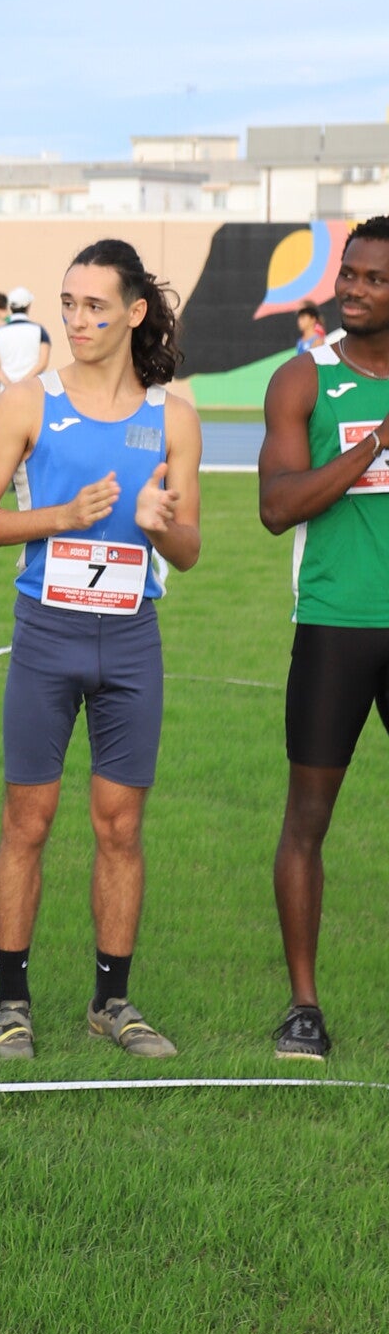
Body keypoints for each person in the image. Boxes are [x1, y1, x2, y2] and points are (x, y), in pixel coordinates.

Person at [0, 240, 200, 1061]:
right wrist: (58, 518)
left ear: (135, 312)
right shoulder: (28, 402)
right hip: (47, 636)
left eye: (95, 305)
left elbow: (192, 548)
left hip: (131, 641)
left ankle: (112, 1002)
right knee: (26, 820)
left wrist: (166, 528)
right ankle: (11, 1006)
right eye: (68, 303)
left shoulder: (172, 416)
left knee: (120, 826)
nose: (77, 319)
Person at [258, 216, 389, 1060]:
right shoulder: (303, 378)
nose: (354, 289)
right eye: (350, 274)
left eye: (375, 279)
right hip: (336, 627)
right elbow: (277, 508)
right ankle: (304, 1007)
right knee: (307, 819)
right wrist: (375, 442)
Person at [0, 284, 49, 407]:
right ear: (28, 305)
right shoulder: (40, 331)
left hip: (6, 390)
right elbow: (42, 363)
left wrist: (10, 386)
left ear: (10, 306)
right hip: (32, 388)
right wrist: (23, 383)